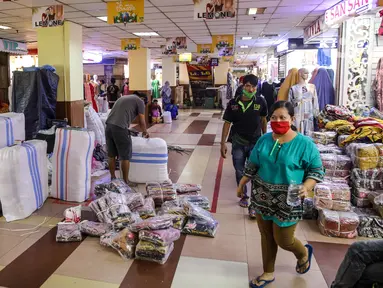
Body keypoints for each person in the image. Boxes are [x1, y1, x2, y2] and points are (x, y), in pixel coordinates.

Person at [237, 101, 324, 288]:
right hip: (262, 194)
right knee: (266, 235)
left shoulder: (304, 144)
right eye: (274, 117)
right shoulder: (264, 140)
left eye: (283, 117)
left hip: (290, 197)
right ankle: (268, 272)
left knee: (284, 240)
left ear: (292, 119)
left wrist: (307, 186)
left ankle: (302, 254)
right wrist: (243, 181)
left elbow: (316, 170)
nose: (278, 121)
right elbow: (253, 164)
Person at [221, 74, 268, 213]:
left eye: (254, 86)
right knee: (240, 170)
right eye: (248, 86)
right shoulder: (233, 104)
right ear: (242, 86)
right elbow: (227, 123)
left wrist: (265, 138)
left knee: (255, 172)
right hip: (238, 141)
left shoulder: (261, 102)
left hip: (255, 142)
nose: (251, 89)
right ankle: (243, 196)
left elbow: (264, 120)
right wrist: (222, 143)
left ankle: (254, 202)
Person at [105, 94, 149, 185]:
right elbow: (141, 120)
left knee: (111, 154)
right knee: (125, 155)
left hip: (108, 126)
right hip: (120, 127)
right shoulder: (140, 101)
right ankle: (126, 181)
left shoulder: (124, 98)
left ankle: (113, 178)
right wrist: (145, 132)